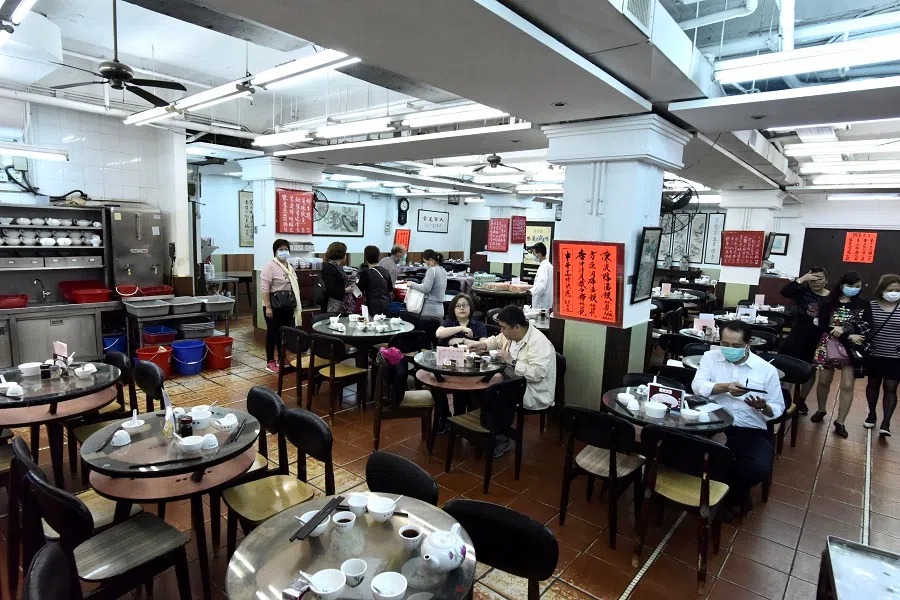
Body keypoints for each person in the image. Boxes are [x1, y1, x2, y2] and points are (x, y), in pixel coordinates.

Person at [691, 320, 784, 513]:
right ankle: (719, 494)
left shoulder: (765, 370)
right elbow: (698, 386)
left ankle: (731, 497)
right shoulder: (710, 357)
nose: (729, 349)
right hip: (713, 422)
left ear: (748, 344)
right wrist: (725, 387)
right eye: (725, 344)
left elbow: (778, 408)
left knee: (756, 467)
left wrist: (763, 407)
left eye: (736, 346)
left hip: (749, 428)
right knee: (686, 452)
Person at [464, 305, 557, 456]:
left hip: (533, 389)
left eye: (504, 328)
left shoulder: (539, 342)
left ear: (517, 327)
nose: (502, 331)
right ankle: (485, 429)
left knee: (497, 394)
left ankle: (501, 438)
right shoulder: (512, 335)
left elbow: (538, 374)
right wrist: (483, 345)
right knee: (479, 385)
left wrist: (512, 361)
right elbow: (497, 340)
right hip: (514, 380)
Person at [811, 271, 869, 438]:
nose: (854, 289)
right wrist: (847, 335)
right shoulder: (828, 302)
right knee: (823, 381)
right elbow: (823, 326)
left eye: (858, 286)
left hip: (852, 349)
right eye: (851, 285)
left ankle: (840, 421)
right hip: (827, 345)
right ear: (842, 285)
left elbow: (867, 326)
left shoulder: (864, 304)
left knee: (848, 385)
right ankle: (821, 409)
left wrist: (845, 331)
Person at [779, 267, 830, 415]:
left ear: (826, 280)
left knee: (810, 371)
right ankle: (785, 400)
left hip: (818, 339)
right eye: (813, 279)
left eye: (820, 278)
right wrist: (802, 279)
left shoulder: (831, 297)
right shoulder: (803, 292)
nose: (816, 282)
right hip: (797, 336)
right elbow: (785, 291)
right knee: (788, 368)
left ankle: (801, 400)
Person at [863, 274, 900, 437]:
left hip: (896, 356)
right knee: (873, 385)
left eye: (897, 290)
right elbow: (865, 327)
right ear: (882, 290)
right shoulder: (871, 306)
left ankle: (886, 423)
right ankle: (871, 413)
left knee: (891, 388)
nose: (894, 293)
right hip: (874, 353)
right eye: (890, 289)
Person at [260, 239, 302, 374]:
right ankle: (270, 361)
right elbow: (264, 289)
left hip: (287, 306)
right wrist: (268, 307)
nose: (284, 252)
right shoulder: (270, 267)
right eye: (281, 249)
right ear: (275, 252)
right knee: (272, 333)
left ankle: (282, 357)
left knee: (283, 333)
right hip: (273, 306)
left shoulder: (289, 266)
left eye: (286, 249)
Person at [406, 249, 447, 319]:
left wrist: (411, 284)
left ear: (430, 260)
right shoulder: (443, 270)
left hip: (429, 309)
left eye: (425, 262)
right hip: (440, 309)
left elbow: (426, 288)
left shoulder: (431, 270)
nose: (426, 265)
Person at [357, 245, 393, 317]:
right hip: (385, 305)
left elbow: (358, 292)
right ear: (379, 257)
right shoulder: (386, 272)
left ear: (366, 258)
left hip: (372, 306)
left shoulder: (366, 273)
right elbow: (390, 291)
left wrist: (351, 286)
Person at [322, 241, 356, 314]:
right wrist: (345, 290)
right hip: (334, 306)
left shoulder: (337, 267)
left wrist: (349, 278)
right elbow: (331, 290)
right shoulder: (330, 268)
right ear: (342, 255)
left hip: (339, 302)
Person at [529, 242, 553, 310]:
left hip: (541, 304)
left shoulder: (544, 267)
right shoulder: (548, 265)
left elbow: (541, 285)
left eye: (534, 254)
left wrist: (530, 291)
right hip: (546, 302)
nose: (534, 256)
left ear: (539, 254)